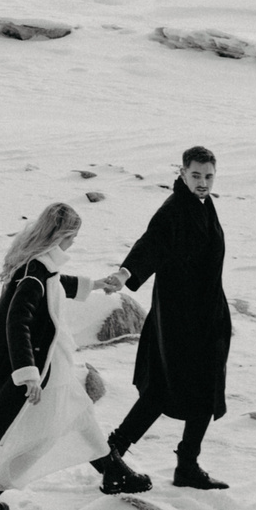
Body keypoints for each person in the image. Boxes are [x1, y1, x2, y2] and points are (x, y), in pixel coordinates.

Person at [0, 201, 154, 510]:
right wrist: (28, 375)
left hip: (51, 360)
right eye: (73, 238)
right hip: (41, 368)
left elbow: (55, 284)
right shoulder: (34, 274)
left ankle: (113, 471)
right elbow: (17, 323)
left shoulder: (38, 264)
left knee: (80, 412)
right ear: (62, 236)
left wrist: (95, 284)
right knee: (39, 438)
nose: (74, 243)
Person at [103, 146, 232, 489]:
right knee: (162, 390)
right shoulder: (174, 210)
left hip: (207, 316)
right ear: (182, 173)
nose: (203, 182)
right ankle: (113, 453)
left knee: (205, 389)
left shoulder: (203, 204)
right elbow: (152, 243)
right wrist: (125, 273)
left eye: (208, 176)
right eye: (196, 175)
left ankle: (186, 464)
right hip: (179, 319)